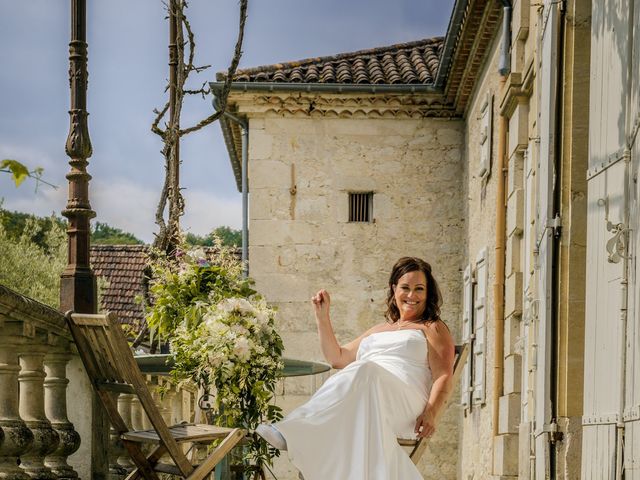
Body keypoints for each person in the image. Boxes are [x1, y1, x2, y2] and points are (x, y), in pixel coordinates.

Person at [256, 257, 456, 479]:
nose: (412, 295)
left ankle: (295, 430)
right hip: (368, 393)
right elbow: (337, 358)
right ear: (394, 289)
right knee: (362, 372)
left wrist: (432, 412)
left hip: (406, 401)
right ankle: (300, 431)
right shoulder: (378, 329)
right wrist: (322, 317)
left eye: (419, 289)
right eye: (405, 288)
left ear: (428, 293)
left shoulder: (432, 328)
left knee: (365, 370)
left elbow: (444, 374)